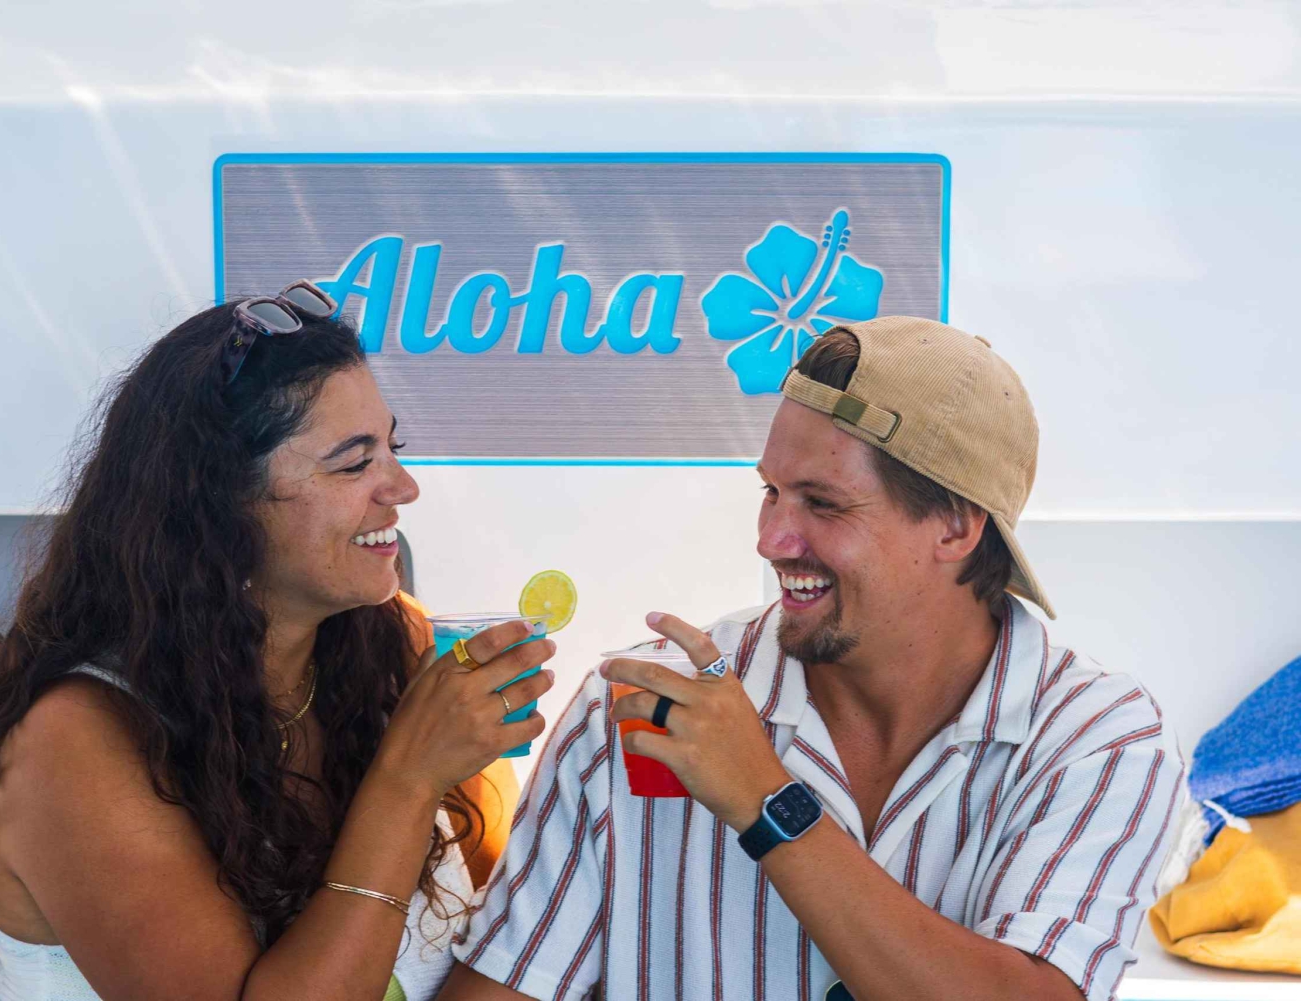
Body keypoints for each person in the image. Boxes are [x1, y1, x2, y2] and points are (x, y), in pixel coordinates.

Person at [441, 317, 1183, 1001]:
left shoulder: (1100, 736)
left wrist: (768, 801)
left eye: (822, 504)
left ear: (956, 525)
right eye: (771, 492)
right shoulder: (632, 705)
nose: (772, 539)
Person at [0, 283, 555, 1001]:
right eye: (355, 463)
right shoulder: (75, 743)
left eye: (392, 446)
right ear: (220, 504)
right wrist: (408, 777)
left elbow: (480, 948)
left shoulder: (391, 642)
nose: (403, 486)